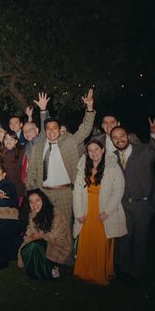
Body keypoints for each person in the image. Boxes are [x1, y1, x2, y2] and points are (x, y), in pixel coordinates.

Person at [26, 89, 96, 229]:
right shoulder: (38, 147)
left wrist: (89, 108)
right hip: (43, 193)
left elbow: (85, 130)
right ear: (45, 131)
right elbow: (32, 171)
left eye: (55, 128)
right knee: (45, 228)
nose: (51, 131)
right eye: (48, 129)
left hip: (65, 193)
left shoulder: (69, 141)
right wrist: (31, 190)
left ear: (59, 130)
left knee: (65, 228)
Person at [73, 139, 126, 285]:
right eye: (90, 150)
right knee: (87, 241)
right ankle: (84, 272)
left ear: (102, 150)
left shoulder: (112, 167)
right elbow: (77, 192)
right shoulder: (83, 167)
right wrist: (78, 213)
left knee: (101, 242)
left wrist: (107, 212)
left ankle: (101, 273)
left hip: (103, 211)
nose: (93, 153)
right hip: (87, 209)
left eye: (96, 149)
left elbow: (118, 190)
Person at [111, 123, 155, 283]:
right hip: (122, 206)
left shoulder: (143, 151)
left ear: (128, 136)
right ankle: (123, 269)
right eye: (115, 138)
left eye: (122, 136)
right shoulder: (112, 157)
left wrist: (153, 134)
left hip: (142, 205)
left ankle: (136, 273)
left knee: (140, 240)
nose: (119, 140)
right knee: (123, 239)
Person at [18, 189, 73, 280]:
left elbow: (57, 235)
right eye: (31, 202)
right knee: (28, 248)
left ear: (43, 200)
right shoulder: (32, 215)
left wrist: (41, 236)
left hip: (58, 245)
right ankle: (35, 272)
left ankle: (49, 270)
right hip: (41, 243)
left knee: (35, 246)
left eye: (37, 200)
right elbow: (29, 234)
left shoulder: (54, 214)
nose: (34, 204)